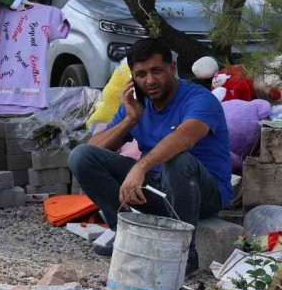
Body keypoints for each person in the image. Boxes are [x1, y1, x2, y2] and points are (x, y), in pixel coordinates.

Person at [68, 38, 233, 275]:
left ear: (172, 68)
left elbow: (184, 138)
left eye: (156, 71)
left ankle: (184, 252)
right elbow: (95, 148)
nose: (150, 80)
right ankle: (125, 236)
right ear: (133, 77)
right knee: (81, 156)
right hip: (157, 192)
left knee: (176, 158)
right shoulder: (137, 104)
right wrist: (130, 120)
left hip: (203, 195)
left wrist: (139, 168)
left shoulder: (199, 99)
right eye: (141, 74)